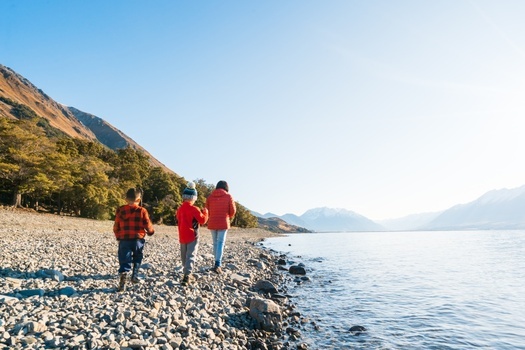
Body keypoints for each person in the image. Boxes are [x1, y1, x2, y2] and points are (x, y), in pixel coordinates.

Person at [113, 187, 155, 292]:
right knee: (138, 256)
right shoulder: (142, 210)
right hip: (137, 239)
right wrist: (150, 232)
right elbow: (147, 224)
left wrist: (118, 236)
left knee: (124, 259)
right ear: (139, 199)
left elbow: (116, 226)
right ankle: (135, 275)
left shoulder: (120, 210)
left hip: (124, 240)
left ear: (126, 199)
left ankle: (123, 278)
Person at [176, 181, 209, 285]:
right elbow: (203, 220)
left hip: (182, 235)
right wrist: (206, 213)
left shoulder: (180, 209)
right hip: (192, 236)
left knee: (184, 255)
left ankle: (185, 269)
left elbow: (178, 219)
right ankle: (187, 275)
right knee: (191, 255)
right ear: (194, 197)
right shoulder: (194, 209)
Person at [205, 180, 236, 273]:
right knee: (220, 243)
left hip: (212, 222)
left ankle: (216, 262)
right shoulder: (228, 196)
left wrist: (212, 215)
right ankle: (217, 264)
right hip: (223, 222)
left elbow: (206, 210)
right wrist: (227, 216)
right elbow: (233, 211)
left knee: (215, 242)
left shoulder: (210, 197)